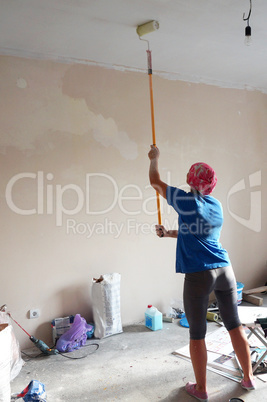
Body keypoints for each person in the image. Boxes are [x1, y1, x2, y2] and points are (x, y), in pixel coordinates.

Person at [148, 145, 255, 402]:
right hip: (225, 269)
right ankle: (249, 378)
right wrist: (169, 233)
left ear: (190, 180)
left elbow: (154, 181)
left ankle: (202, 389)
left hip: (199, 274)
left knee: (197, 333)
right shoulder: (215, 205)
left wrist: (154, 159)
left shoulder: (184, 200)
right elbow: (199, 232)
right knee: (234, 324)